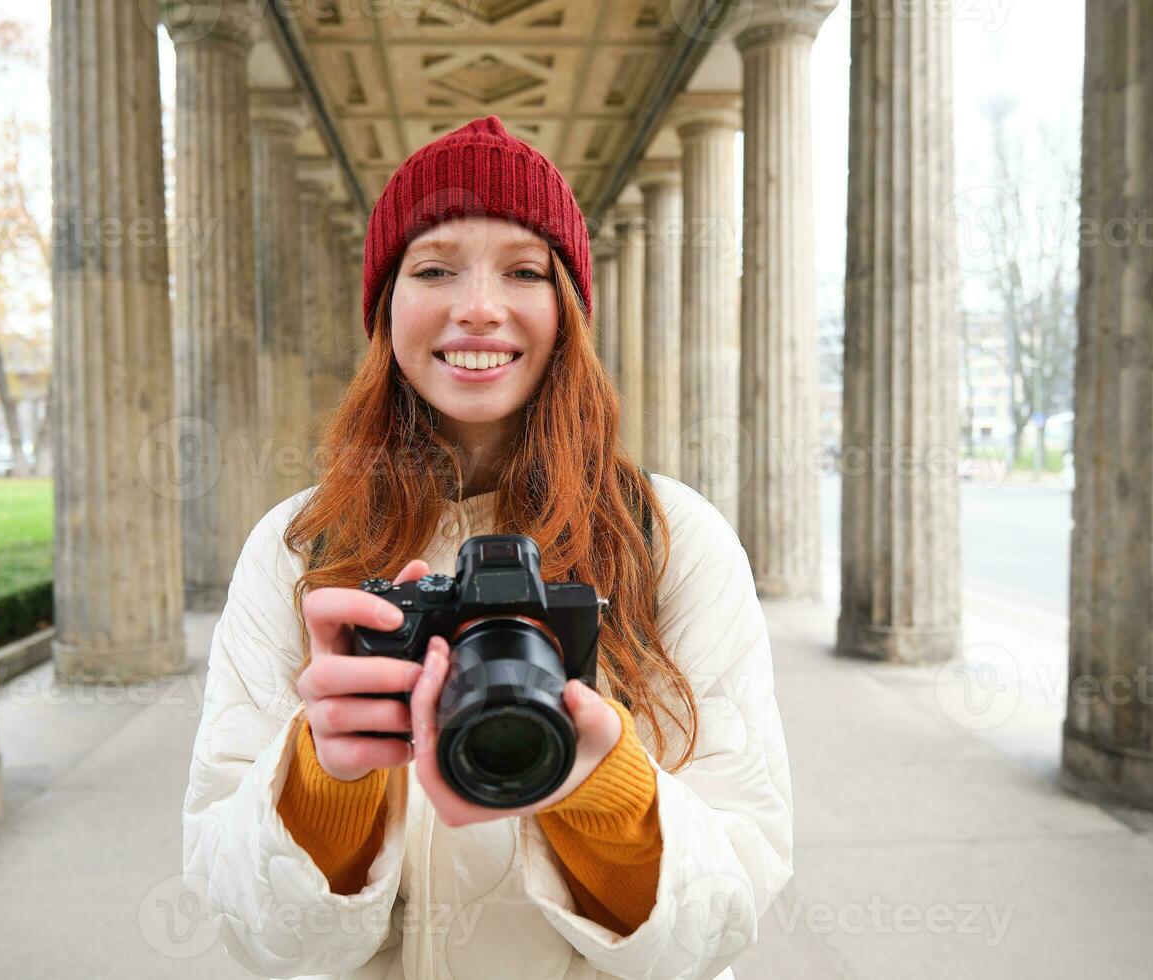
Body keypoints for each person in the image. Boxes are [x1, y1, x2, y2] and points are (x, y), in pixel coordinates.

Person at [182, 115, 794, 980]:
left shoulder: (673, 539)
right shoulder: (298, 550)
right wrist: (324, 779)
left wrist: (603, 787)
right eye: (433, 268)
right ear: (385, 306)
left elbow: (724, 917)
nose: (478, 305)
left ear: (567, 312)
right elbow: (255, 936)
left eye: (523, 271)